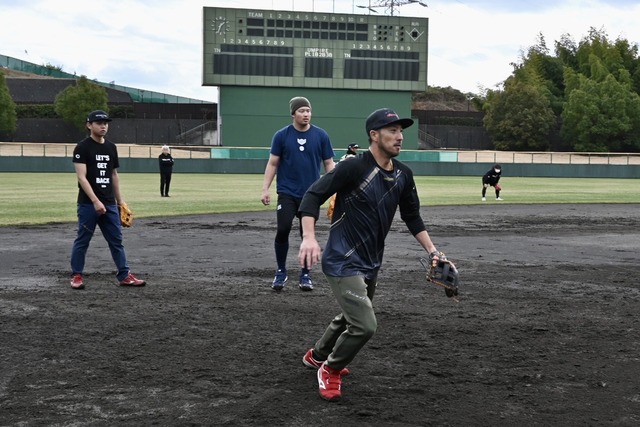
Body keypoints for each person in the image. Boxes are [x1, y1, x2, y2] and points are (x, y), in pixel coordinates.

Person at [297, 107, 449, 402]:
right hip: (341, 258)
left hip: (371, 261)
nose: (399, 136)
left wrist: (433, 251)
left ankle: (316, 355)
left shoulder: (404, 175)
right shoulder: (354, 167)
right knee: (365, 325)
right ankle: (330, 369)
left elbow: (412, 217)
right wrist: (309, 238)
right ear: (374, 135)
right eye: (392, 130)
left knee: (351, 314)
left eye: (401, 131)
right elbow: (313, 195)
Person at [261, 96, 335, 292]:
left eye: (308, 111)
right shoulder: (281, 135)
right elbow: (273, 163)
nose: (306, 114)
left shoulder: (321, 135)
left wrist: (334, 188)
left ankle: (305, 274)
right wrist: (265, 188)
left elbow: (329, 164)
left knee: (306, 234)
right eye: (301, 111)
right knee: (283, 229)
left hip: (311, 194)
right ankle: (281, 271)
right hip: (286, 192)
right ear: (293, 114)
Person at [69, 110, 146, 290]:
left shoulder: (111, 147)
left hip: (110, 203)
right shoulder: (82, 147)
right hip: (88, 204)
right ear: (89, 125)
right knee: (83, 239)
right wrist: (96, 201)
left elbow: (114, 175)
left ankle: (124, 275)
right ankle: (77, 275)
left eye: (105, 123)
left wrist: (121, 202)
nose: (103, 125)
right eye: (98, 123)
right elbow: (82, 178)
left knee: (116, 241)